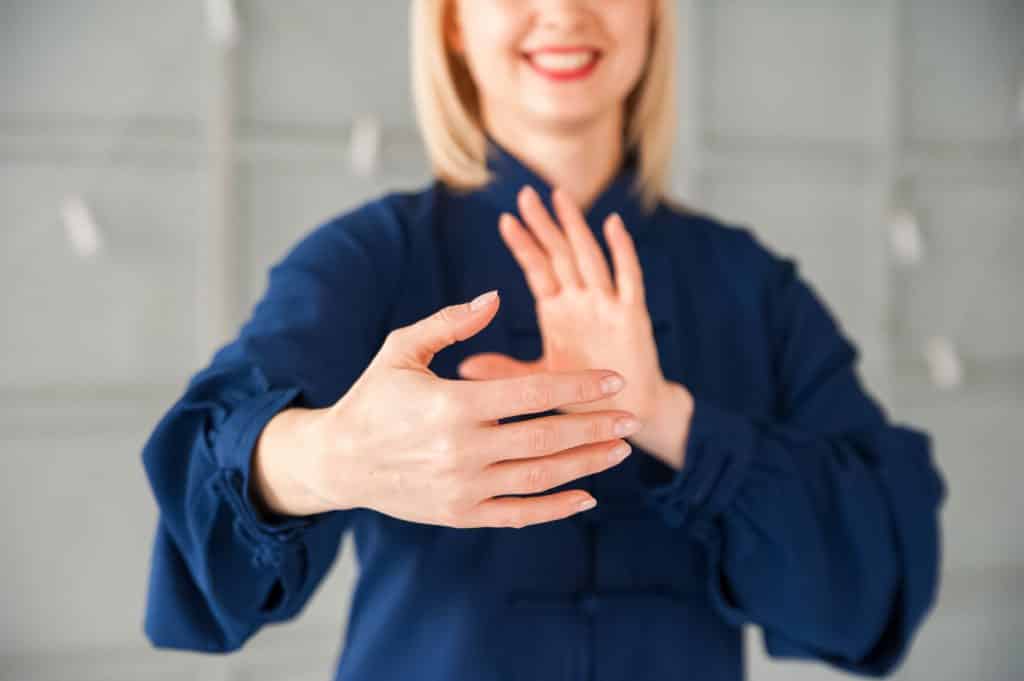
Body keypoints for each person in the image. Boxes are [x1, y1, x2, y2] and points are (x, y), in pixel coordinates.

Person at [140, 1, 946, 679]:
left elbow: (874, 586)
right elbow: (201, 517)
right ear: (451, 21)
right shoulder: (368, 261)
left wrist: (667, 418)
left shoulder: (752, 285)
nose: (564, 12)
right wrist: (327, 457)